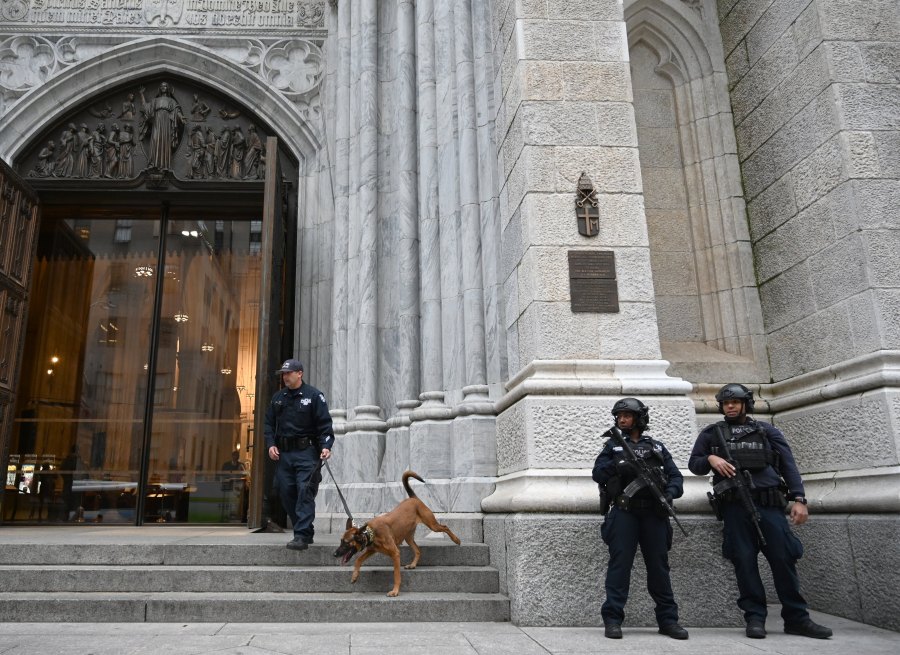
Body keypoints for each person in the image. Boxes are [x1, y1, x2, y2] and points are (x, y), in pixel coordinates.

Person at [689, 384, 832, 640]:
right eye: (725, 402)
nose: (730, 406)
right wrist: (711, 459)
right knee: (744, 561)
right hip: (734, 507)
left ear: (746, 404)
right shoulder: (712, 434)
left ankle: (797, 618)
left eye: (735, 402)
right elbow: (695, 464)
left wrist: (799, 499)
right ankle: (755, 617)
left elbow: (788, 465)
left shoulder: (766, 431)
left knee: (783, 558)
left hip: (769, 505)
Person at [592, 398, 688, 640]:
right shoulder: (612, 447)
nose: (622, 419)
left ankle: (668, 620)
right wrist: (618, 468)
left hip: (654, 515)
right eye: (619, 416)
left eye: (627, 415)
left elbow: (676, 477)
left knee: (659, 568)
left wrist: (670, 493)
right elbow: (597, 473)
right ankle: (613, 619)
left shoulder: (656, 447)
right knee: (619, 567)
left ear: (639, 419)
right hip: (625, 512)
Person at [264, 359, 333, 551]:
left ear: (299, 373)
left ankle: (301, 535)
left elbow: (325, 425)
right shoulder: (278, 398)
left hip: (307, 453)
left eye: (289, 373)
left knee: (305, 491)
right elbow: (268, 424)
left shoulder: (314, 396)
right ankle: (304, 528)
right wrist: (270, 444)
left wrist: (326, 446)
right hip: (284, 454)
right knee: (285, 492)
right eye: (283, 374)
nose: (285, 377)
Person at [138, 82, 186, 170]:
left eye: (165, 86)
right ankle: (152, 163)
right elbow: (145, 107)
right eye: (162, 86)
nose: (163, 87)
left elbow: (176, 111)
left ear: (168, 88)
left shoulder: (172, 101)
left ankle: (165, 165)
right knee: (155, 140)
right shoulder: (155, 101)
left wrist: (181, 118)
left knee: (165, 141)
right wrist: (141, 94)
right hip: (157, 122)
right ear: (159, 88)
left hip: (167, 123)